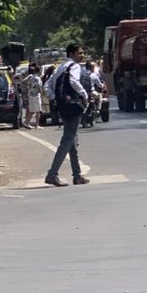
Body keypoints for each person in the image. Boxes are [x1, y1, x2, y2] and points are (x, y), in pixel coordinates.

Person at [43, 43, 90, 187]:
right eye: (79, 53)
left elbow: (47, 86)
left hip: (62, 107)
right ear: (71, 54)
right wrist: (84, 95)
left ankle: (77, 175)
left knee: (72, 140)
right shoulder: (75, 67)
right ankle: (52, 174)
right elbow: (73, 81)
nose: (82, 56)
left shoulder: (60, 67)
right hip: (73, 106)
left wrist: (55, 98)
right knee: (68, 139)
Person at [23, 62, 43, 129]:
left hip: (30, 95)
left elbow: (23, 81)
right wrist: (41, 93)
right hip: (36, 96)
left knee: (32, 110)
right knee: (38, 110)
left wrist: (28, 87)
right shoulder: (38, 78)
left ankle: (26, 122)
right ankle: (37, 125)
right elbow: (39, 87)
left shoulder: (30, 77)